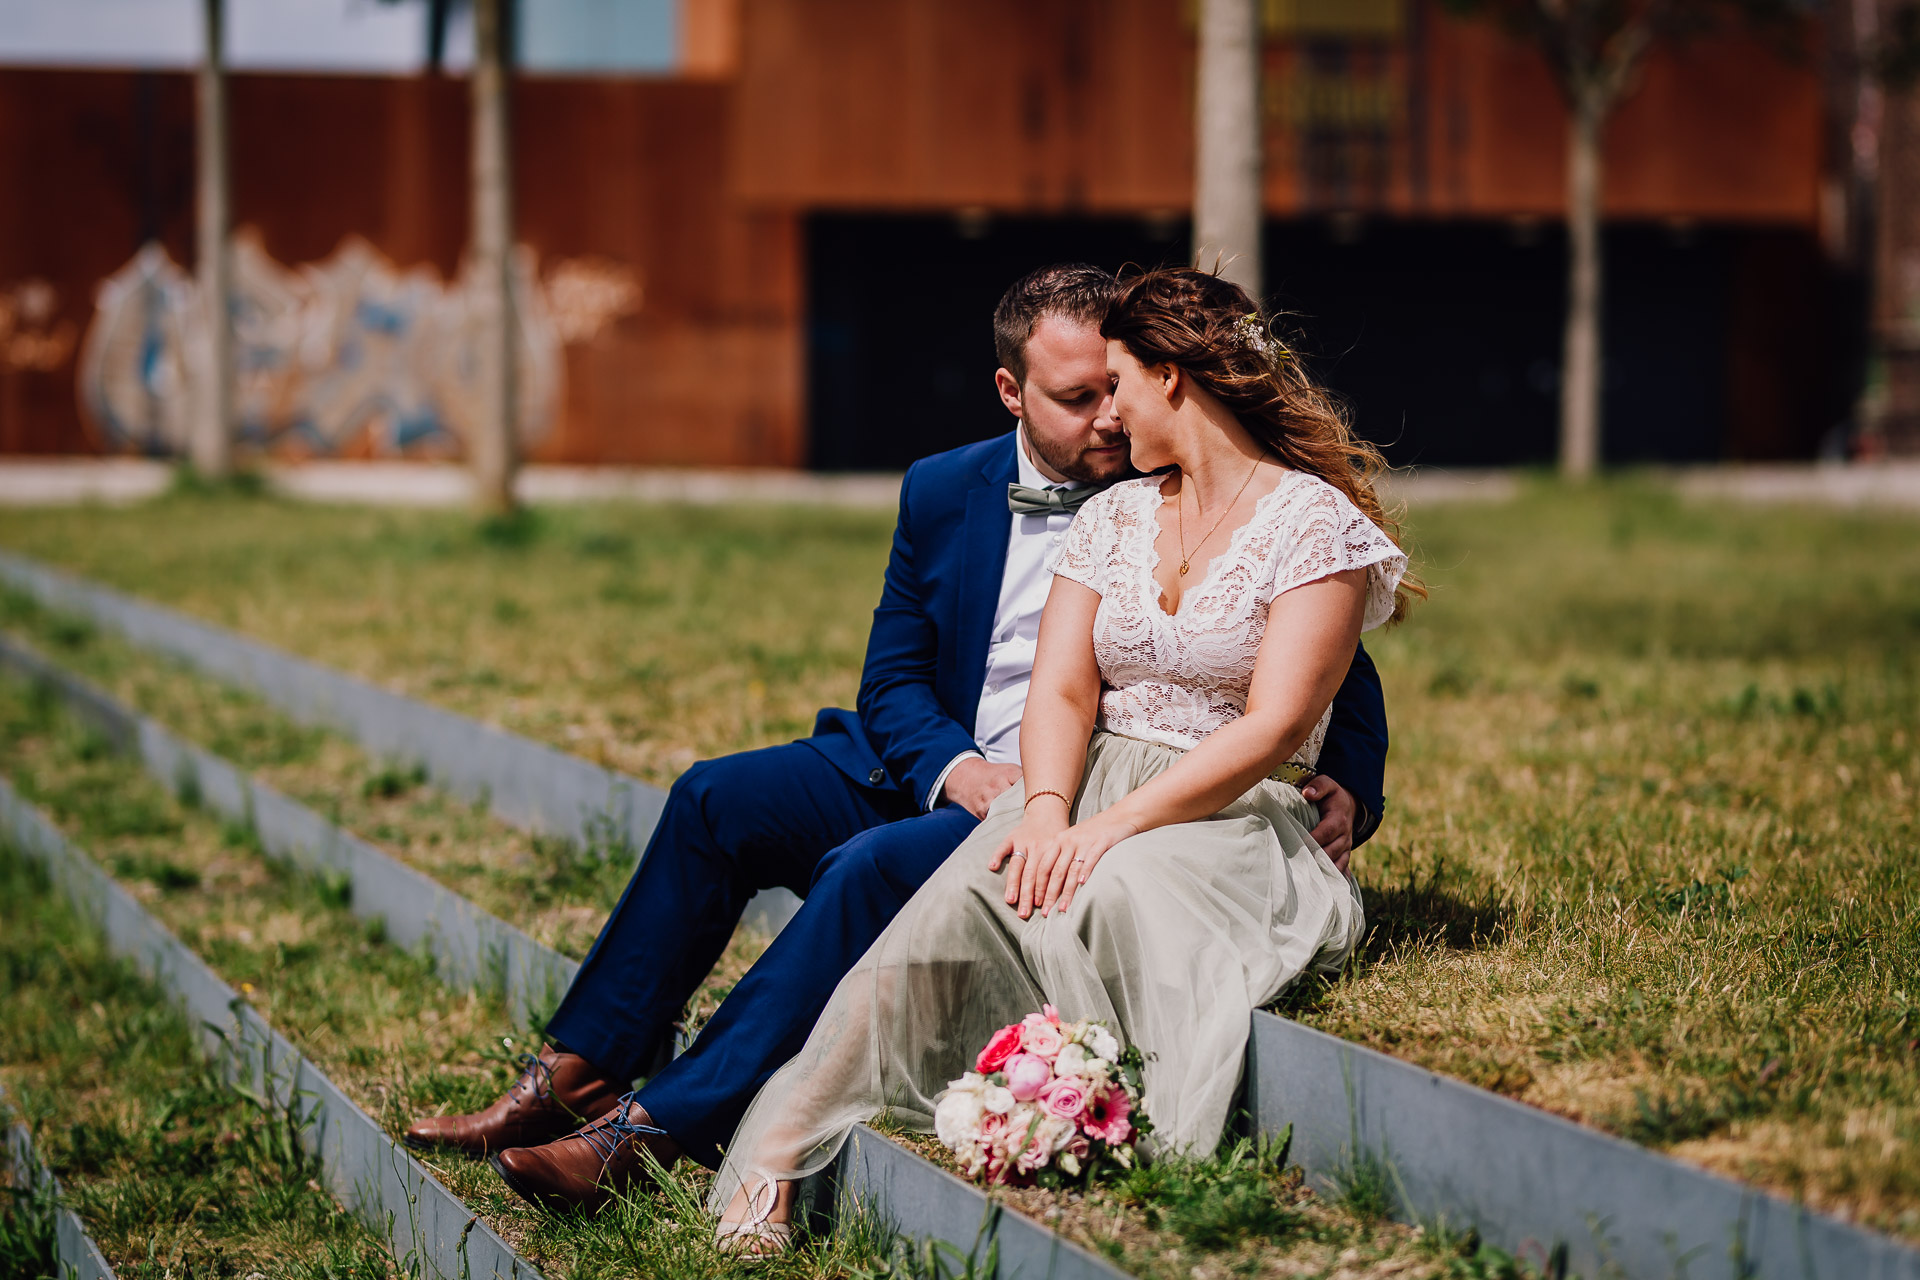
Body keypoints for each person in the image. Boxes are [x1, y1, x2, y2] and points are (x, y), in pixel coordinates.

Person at [402, 264, 1392, 1214]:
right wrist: (956, 769)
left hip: (1085, 789)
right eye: (1074, 394)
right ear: (1011, 390)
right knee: (716, 797)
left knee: (868, 871)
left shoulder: (1202, 490)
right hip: (954, 773)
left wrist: (1348, 775)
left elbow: (1308, 658)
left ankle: (654, 1128)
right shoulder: (942, 488)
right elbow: (892, 678)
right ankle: (574, 1068)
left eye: (1114, 389)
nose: (1104, 417)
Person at [709, 266, 1418, 1255]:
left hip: (1226, 806)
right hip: (1084, 778)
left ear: (1173, 377)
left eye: (1119, 381)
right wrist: (1046, 809)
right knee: (958, 900)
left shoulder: (1315, 527)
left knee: (1110, 891)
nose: (1110, 412)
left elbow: (1272, 722)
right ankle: (778, 1151)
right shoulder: (1115, 516)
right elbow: (1064, 689)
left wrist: (1108, 829)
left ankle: (1102, 1132)